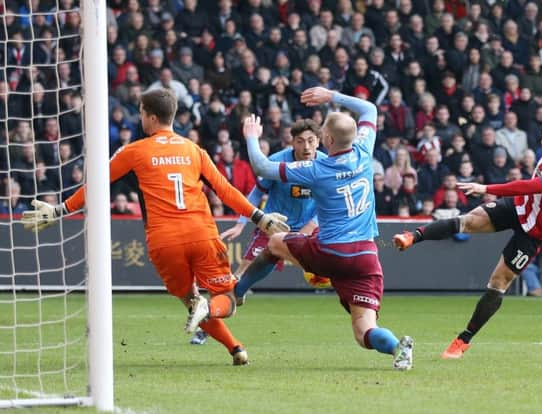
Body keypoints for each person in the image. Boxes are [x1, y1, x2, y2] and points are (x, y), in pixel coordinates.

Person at [22, 88, 289, 365]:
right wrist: (259, 217)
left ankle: (236, 349)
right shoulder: (194, 150)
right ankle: (213, 313)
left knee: (190, 301)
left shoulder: (134, 151)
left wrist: (59, 209)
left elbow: (97, 185)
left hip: (163, 242)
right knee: (229, 299)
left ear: (149, 117)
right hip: (202, 234)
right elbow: (226, 190)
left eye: (140, 113)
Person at [243, 87, 414, 371]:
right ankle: (398, 347)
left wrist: (251, 137)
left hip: (331, 251)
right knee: (364, 332)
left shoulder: (315, 169)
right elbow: (370, 109)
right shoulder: (364, 150)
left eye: (322, 133)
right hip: (366, 256)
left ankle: (238, 292)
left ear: (329, 139)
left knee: (275, 242)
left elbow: (261, 167)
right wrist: (332, 95)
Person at [394, 114, 542, 359]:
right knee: (469, 220)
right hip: (519, 207)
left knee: (498, 282)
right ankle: (413, 237)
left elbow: (532, 186)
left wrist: (487, 189)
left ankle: (463, 340)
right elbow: (529, 190)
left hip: (535, 231)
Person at [219, 119, 326, 303]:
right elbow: (256, 194)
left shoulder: (326, 165)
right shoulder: (277, 161)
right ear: (292, 142)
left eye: (311, 140)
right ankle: (228, 301)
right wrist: (240, 223)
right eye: (300, 141)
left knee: (330, 266)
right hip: (274, 225)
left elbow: (330, 201)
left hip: (309, 227)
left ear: (318, 141)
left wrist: (312, 224)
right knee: (242, 272)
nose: (306, 147)